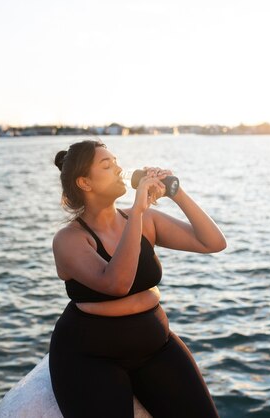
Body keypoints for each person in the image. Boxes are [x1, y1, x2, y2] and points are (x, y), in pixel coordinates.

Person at [49, 139, 227, 418]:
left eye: (117, 162)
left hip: (156, 346)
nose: (118, 169)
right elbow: (117, 284)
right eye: (107, 165)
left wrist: (174, 191)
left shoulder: (146, 219)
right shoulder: (69, 239)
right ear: (85, 183)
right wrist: (139, 213)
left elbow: (213, 242)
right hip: (91, 356)